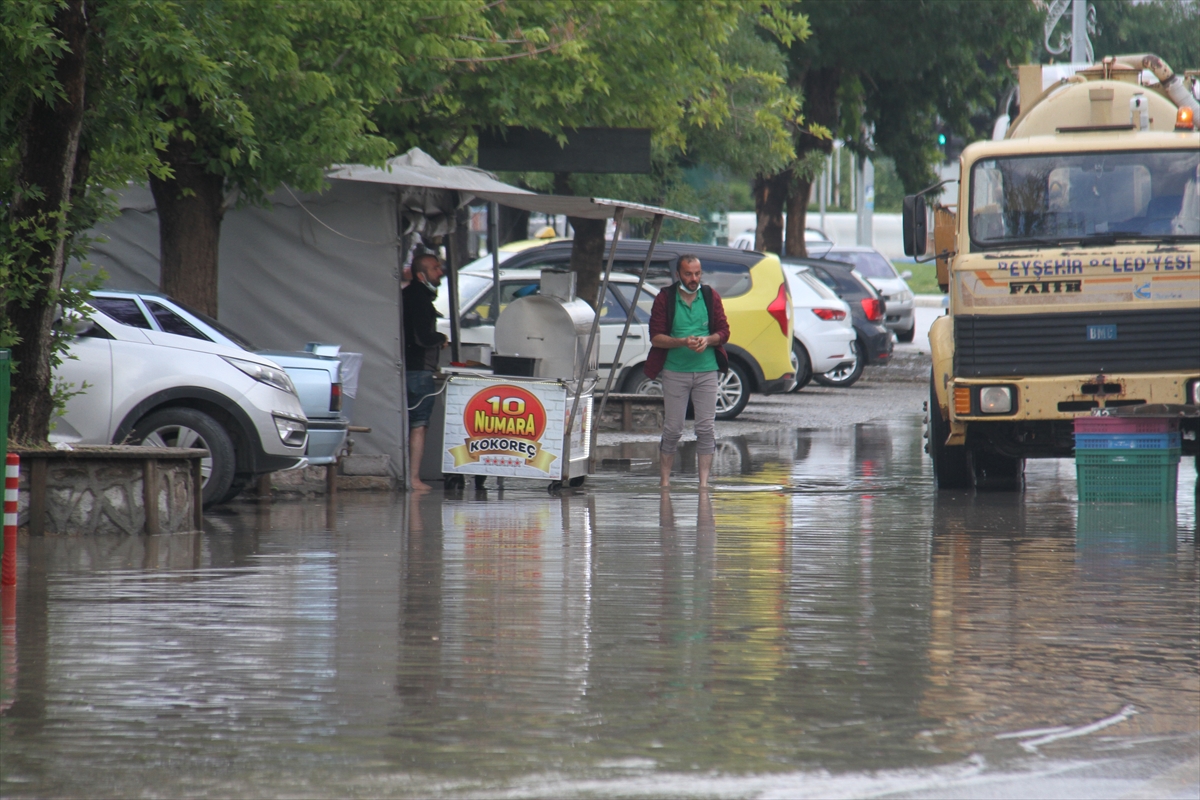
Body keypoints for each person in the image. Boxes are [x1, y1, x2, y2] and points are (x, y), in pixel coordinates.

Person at [644, 254, 730, 489]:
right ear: (678, 275)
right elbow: (656, 338)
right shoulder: (665, 298)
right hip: (675, 370)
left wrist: (708, 340)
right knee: (673, 429)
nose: (694, 279)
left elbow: (724, 332)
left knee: (705, 428)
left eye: (697, 273)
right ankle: (664, 482)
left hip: (707, 370)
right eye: (688, 274)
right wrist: (683, 341)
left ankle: (703, 485)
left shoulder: (710, 296)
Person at [403, 252, 447, 491]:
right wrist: (440, 338)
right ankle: (414, 478)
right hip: (418, 371)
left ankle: (408, 476)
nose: (440, 271)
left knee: (407, 421)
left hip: (404, 369)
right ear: (421, 275)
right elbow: (422, 337)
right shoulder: (419, 300)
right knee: (419, 423)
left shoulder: (406, 296)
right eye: (435, 268)